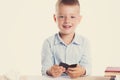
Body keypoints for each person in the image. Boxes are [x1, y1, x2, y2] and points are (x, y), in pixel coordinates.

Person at [41, 0, 91, 78]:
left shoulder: (84, 43)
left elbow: (88, 68)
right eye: (62, 16)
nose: (67, 21)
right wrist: (50, 71)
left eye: (72, 17)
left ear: (79, 19)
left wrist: (82, 71)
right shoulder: (48, 43)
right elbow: (45, 69)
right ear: (55, 18)